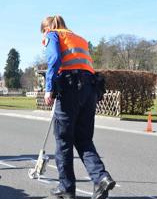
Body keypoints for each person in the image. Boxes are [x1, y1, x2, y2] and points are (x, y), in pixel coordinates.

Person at [41, 15, 115, 199]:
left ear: (47, 27)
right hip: (89, 89)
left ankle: (66, 187)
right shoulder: (79, 38)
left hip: (70, 88)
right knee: (84, 140)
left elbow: (55, 58)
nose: (44, 35)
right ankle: (101, 178)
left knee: (64, 142)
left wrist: (49, 88)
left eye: (43, 31)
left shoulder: (53, 35)